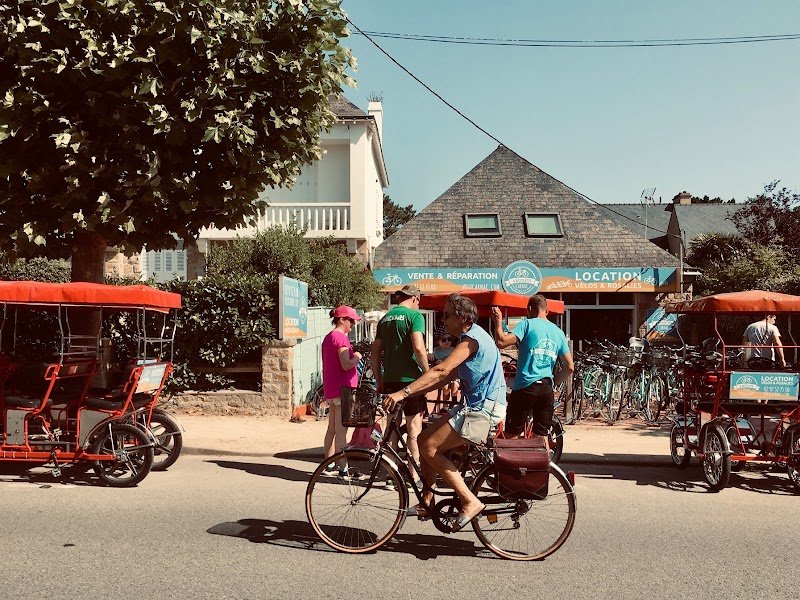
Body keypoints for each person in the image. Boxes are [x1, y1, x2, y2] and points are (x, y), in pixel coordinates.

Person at [383, 293, 506, 532]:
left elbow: (441, 370)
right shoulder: (472, 337)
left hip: (483, 410)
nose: (443, 319)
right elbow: (446, 377)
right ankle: (427, 500)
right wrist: (412, 391)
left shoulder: (470, 340)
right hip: (475, 405)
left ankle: (470, 501)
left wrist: (402, 393)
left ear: (462, 317)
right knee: (422, 438)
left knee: (428, 447)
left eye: (446, 314)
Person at [491, 294, 574, 441]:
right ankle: (543, 463)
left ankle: (511, 464)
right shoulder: (558, 332)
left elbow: (502, 342)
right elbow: (569, 367)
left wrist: (498, 321)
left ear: (529, 309)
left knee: (511, 435)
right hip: (546, 388)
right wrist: (553, 382)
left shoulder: (527, 324)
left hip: (525, 386)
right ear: (547, 311)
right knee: (541, 438)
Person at [371, 284, 430, 487]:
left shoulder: (385, 318)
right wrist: (427, 373)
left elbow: (375, 353)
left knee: (392, 429)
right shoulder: (415, 317)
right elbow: (419, 347)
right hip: (411, 381)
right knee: (414, 429)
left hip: (390, 381)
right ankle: (414, 476)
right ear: (414, 298)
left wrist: (379, 380)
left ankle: (391, 475)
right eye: (419, 301)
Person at [321, 306, 362, 476]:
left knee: (332, 428)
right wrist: (357, 357)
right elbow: (346, 364)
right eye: (351, 320)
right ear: (342, 320)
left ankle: (328, 464)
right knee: (341, 430)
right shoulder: (341, 339)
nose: (353, 324)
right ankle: (343, 468)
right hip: (343, 389)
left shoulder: (328, 337)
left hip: (332, 389)